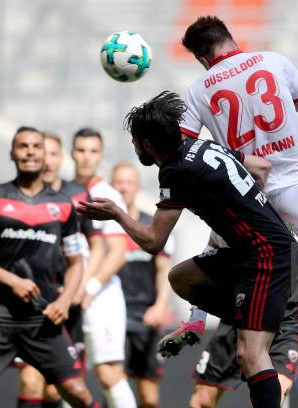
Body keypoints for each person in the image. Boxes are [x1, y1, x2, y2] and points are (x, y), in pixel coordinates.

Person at [78, 91, 296, 408]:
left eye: (136, 141)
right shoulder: (202, 146)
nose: (135, 148)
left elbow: (153, 241)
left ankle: (253, 321)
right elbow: (260, 168)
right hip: (248, 250)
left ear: (148, 143)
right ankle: (247, 314)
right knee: (182, 278)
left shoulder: (174, 171)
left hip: (266, 255)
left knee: (250, 355)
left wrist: (117, 213)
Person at [159, 14, 298, 364]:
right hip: (294, 188)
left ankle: (200, 320)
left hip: (246, 195)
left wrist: (239, 153)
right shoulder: (274, 62)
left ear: (201, 57)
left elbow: (182, 150)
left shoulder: (199, 89)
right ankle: (296, 318)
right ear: (230, 37)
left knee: (214, 253)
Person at [0, 126, 98, 408]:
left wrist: (66, 298)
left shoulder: (64, 205)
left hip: (41, 316)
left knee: (78, 393)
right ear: (12, 154)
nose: (30, 152)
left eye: (36, 146)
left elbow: (75, 262)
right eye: (23, 146)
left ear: (46, 155)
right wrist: (13, 281)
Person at [189, 137, 298, 408]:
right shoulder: (241, 205)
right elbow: (209, 255)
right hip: (238, 309)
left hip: (284, 313)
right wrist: (196, 317)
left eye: (293, 158)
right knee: (201, 401)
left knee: (275, 393)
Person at [16, 132, 102, 407]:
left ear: (61, 158)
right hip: (32, 301)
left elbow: (97, 246)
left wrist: (81, 286)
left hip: (68, 304)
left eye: (55, 154)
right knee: (30, 380)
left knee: (58, 390)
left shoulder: (77, 195)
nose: (49, 161)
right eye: (45, 153)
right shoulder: (20, 195)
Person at [71, 128, 137, 408]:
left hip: (101, 298)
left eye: (93, 151)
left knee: (108, 374)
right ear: (72, 153)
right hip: (69, 296)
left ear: (101, 155)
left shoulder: (106, 194)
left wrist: (89, 288)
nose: (86, 157)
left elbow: (117, 253)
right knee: (66, 378)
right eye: (81, 150)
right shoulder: (64, 192)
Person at [111, 162, 174, 408]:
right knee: (115, 389)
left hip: (146, 317)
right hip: (113, 317)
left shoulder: (152, 227)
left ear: (137, 187)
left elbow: (164, 270)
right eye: (119, 182)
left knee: (148, 397)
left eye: (129, 182)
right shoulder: (102, 227)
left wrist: (160, 306)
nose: (124, 187)